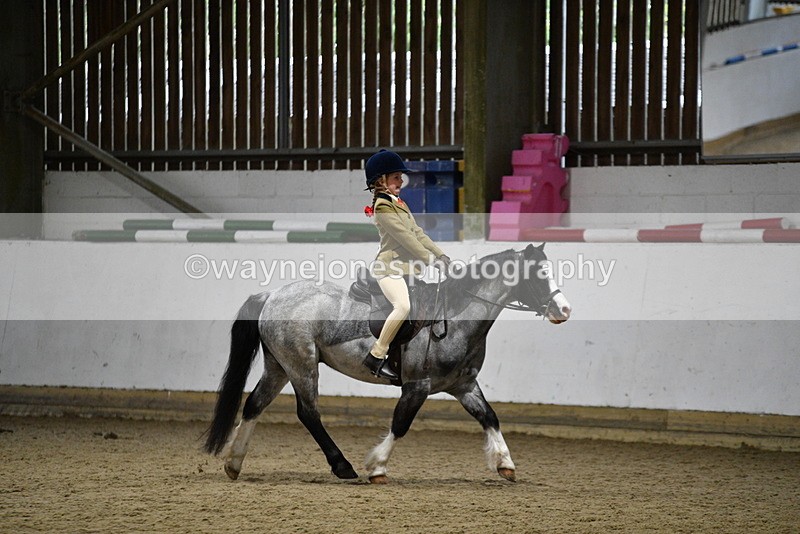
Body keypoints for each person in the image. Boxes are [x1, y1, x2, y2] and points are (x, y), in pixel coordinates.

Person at [362, 149, 451, 381]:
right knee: (402, 307)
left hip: (407, 270)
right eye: (396, 177)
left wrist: (441, 255)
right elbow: (406, 239)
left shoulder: (399, 203)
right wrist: (430, 261)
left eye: (400, 177)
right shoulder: (383, 208)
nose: (402, 181)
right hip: (389, 270)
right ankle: (377, 354)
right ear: (381, 181)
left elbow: (418, 233)